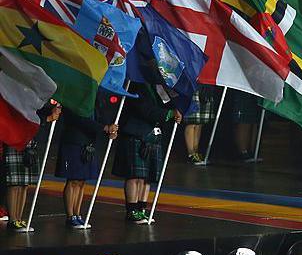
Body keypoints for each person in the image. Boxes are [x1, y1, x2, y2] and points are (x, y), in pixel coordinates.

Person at [112, 82, 181, 224]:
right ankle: (132, 210)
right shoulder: (136, 85)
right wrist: (168, 114)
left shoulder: (160, 87)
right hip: (136, 133)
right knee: (135, 176)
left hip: (153, 135)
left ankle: (141, 208)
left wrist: (175, 111)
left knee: (147, 177)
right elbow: (144, 109)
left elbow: (166, 105)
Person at [56, 92, 116, 228]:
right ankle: (70, 216)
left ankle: (77, 214)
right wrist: (104, 128)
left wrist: (109, 129)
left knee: (82, 181)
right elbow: (79, 119)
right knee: (73, 180)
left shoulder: (93, 99)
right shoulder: (73, 97)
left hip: (88, 143)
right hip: (74, 141)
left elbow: (99, 118)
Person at [4, 102, 61, 231]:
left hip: (30, 143)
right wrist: (47, 119)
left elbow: (38, 109)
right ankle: (12, 220)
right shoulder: (15, 99)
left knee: (24, 184)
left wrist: (52, 110)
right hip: (15, 139)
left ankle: (18, 218)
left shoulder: (34, 100)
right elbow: (23, 118)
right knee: (15, 184)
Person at [183, 84, 216, 165]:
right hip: (192, 85)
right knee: (192, 121)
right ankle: (191, 154)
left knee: (200, 123)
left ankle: (195, 152)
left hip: (205, 87)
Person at [231, 89, 257, 162]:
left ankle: (252, 151)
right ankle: (243, 151)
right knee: (244, 119)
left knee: (253, 120)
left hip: (255, 89)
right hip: (242, 88)